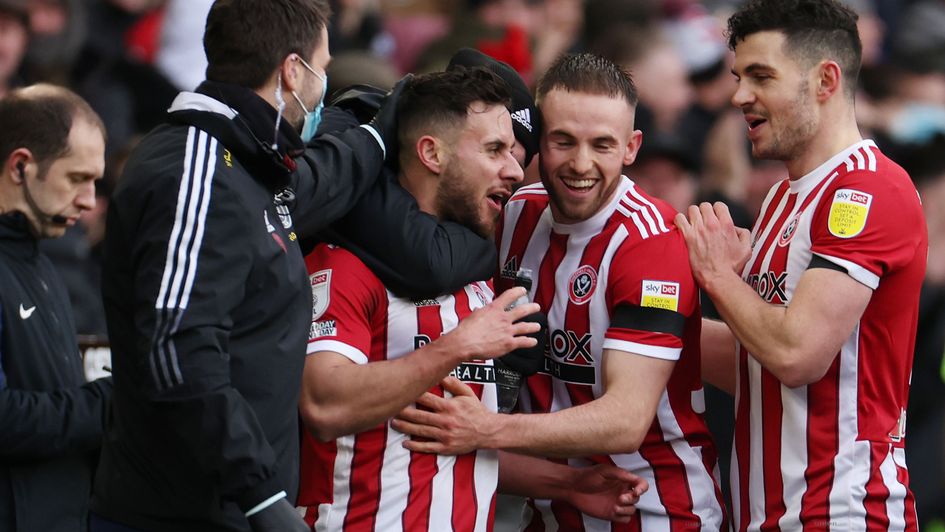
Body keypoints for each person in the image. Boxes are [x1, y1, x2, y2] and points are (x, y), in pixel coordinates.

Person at [90, 0, 404, 530]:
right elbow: (177, 345)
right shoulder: (199, 168)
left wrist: (378, 133)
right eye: (323, 69)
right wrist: (260, 496)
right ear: (291, 69)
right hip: (181, 512)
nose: (323, 85)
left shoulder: (247, 160)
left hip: (228, 504)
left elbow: (317, 185)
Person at [296, 65, 644, 531]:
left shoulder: (476, 278)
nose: (515, 170)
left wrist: (564, 484)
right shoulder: (344, 267)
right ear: (432, 153)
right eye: (494, 150)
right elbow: (323, 405)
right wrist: (457, 345)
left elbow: (447, 441)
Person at [393, 53, 727, 530]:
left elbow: (626, 420)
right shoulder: (510, 215)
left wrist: (487, 429)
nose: (580, 164)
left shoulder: (651, 243)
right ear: (535, 142)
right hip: (552, 508)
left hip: (658, 513)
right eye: (563, 141)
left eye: (603, 145)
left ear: (632, 148)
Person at [673, 0, 927, 529]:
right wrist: (633, 330)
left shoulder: (868, 187)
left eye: (761, 76)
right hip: (769, 511)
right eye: (739, 76)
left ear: (825, 80)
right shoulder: (781, 201)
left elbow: (795, 354)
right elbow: (756, 366)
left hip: (840, 511)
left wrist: (717, 276)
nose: (740, 96)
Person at [0, 83, 111, 531]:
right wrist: (112, 404)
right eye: (76, 178)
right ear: (22, 166)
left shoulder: (43, 264)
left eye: (94, 182)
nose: (88, 202)